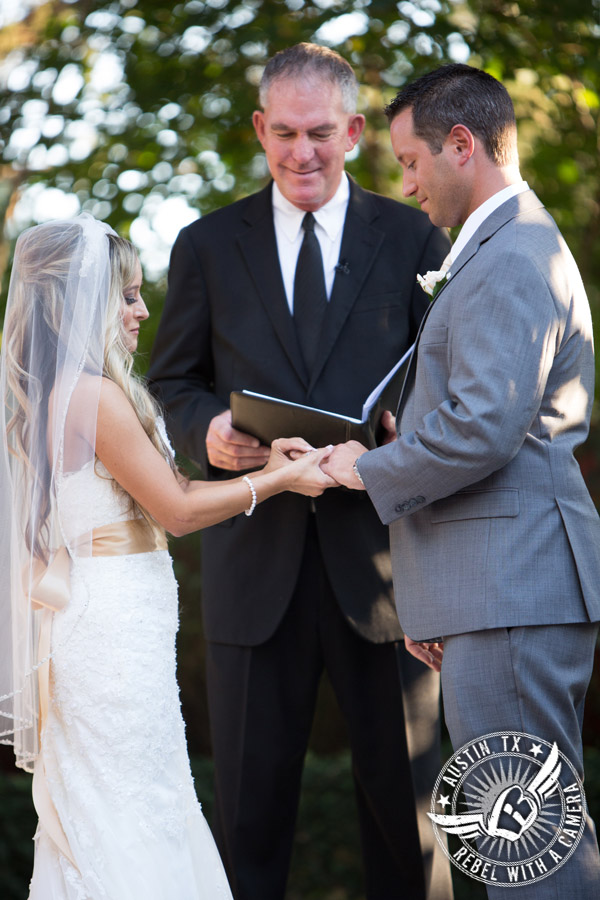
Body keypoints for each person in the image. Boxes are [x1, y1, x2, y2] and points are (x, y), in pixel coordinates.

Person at [148, 43, 452, 900]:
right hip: (254, 570)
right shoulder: (205, 244)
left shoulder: (413, 235)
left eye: (320, 132)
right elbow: (171, 379)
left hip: (389, 576)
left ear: (355, 131)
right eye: (283, 133)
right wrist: (206, 431)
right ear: (259, 129)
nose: (301, 152)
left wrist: (409, 426)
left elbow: (445, 376)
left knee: (413, 830)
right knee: (248, 829)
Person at [323, 63, 600, 898]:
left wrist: (363, 469)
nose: (406, 184)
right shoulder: (503, 245)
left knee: (530, 848)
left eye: (409, 162)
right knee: (527, 840)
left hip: (512, 590)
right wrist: (440, 593)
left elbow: (483, 427)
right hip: (494, 591)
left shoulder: (511, 253)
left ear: (461, 144)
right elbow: (493, 419)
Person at [0, 213, 335, 900]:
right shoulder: (91, 395)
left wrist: (265, 457)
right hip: (109, 627)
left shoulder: (52, 393)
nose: (142, 310)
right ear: (79, 299)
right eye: (126, 294)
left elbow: (164, 492)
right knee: (130, 803)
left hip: (109, 617)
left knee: (124, 796)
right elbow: (176, 510)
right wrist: (278, 480)